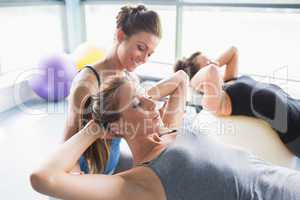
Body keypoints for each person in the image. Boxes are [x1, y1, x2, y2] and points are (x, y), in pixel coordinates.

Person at [30, 75, 300, 200]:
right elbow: (43, 178)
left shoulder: (168, 129)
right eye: (137, 104)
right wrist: (95, 127)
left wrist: (141, 99)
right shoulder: (138, 184)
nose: (151, 103)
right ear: (115, 129)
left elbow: (181, 79)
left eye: (147, 95)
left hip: (287, 180)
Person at [63, 4, 162, 174]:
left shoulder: (130, 79)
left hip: (109, 168)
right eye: (141, 48)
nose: (145, 59)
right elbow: (68, 142)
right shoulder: (87, 82)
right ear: (120, 35)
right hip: (87, 175)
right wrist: (77, 178)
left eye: (150, 54)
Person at [174, 46, 300, 157]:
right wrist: (204, 71)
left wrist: (214, 62)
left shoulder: (228, 81)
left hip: (295, 105)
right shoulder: (217, 102)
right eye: (206, 63)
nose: (212, 62)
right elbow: (209, 72)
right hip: (293, 125)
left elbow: (233, 51)